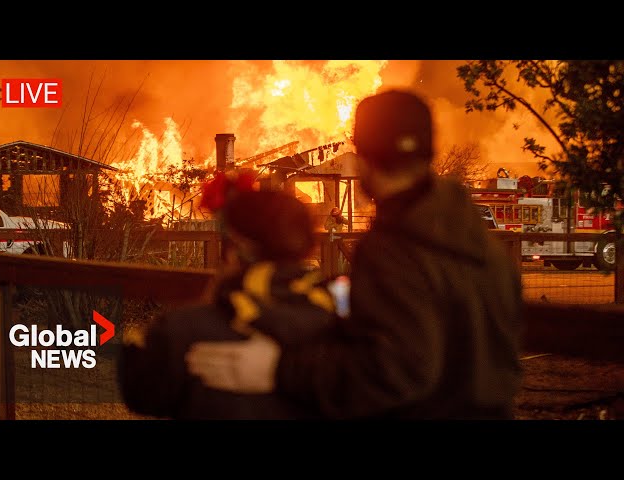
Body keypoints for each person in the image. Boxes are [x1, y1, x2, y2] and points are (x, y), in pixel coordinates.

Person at [185, 90, 524, 420]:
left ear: (364, 156)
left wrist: (277, 369)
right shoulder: (481, 244)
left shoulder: (395, 249)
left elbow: (397, 369)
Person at [118, 173, 339, 419]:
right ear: (305, 246)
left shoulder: (184, 330)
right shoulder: (343, 328)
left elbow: (140, 393)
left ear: (235, 248)